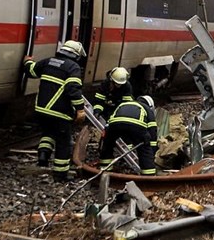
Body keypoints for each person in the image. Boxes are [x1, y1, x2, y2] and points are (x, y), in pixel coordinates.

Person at [21, 40, 87, 182]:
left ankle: (43, 155)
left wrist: (27, 61)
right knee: (63, 142)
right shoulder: (73, 67)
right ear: (76, 55)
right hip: (60, 112)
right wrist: (80, 109)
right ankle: (60, 174)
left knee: (48, 133)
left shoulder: (48, 61)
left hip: (42, 109)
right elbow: (73, 90)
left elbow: (31, 71)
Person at [100, 94, 158, 176]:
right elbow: (152, 131)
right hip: (136, 126)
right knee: (144, 149)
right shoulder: (146, 108)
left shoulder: (123, 104)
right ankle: (149, 175)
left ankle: (104, 170)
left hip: (115, 124)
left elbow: (111, 119)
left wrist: (106, 134)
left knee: (108, 144)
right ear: (150, 105)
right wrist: (152, 150)